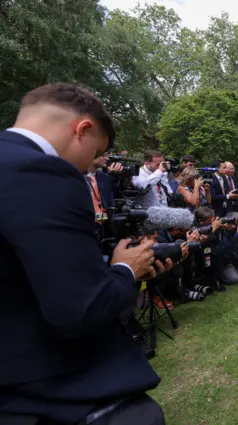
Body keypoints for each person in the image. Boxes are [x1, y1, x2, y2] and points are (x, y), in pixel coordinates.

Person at [0, 83, 167, 424]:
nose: (91, 167)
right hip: (34, 385)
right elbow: (80, 310)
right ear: (83, 128)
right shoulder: (42, 173)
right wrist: (125, 270)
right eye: (94, 154)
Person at [85, 152, 122, 249]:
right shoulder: (76, 176)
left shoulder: (104, 177)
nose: (107, 158)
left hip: (103, 228)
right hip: (85, 226)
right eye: (103, 155)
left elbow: (110, 202)